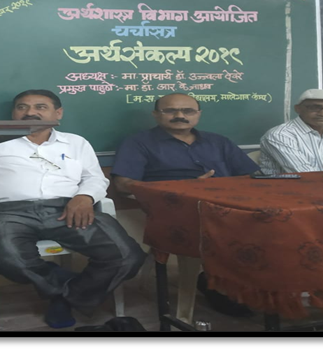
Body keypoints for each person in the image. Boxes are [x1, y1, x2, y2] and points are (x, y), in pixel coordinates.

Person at [0, 89, 146, 329]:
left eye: (40, 107)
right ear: (13, 113)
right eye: (22, 107)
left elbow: (95, 178)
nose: (30, 112)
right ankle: (70, 291)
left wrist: (85, 196)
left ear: (58, 113)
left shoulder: (76, 142)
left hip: (68, 210)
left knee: (127, 256)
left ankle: (62, 296)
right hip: (7, 214)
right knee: (10, 260)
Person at [111, 93, 259, 317]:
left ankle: (261, 285)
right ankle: (215, 283)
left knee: (272, 226)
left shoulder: (219, 141)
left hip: (230, 205)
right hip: (176, 210)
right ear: (156, 114)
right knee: (233, 230)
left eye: (188, 111)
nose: (180, 115)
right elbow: (123, 184)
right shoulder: (138, 142)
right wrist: (182, 188)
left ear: (198, 114)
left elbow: (250, 176)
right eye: (170, 111)